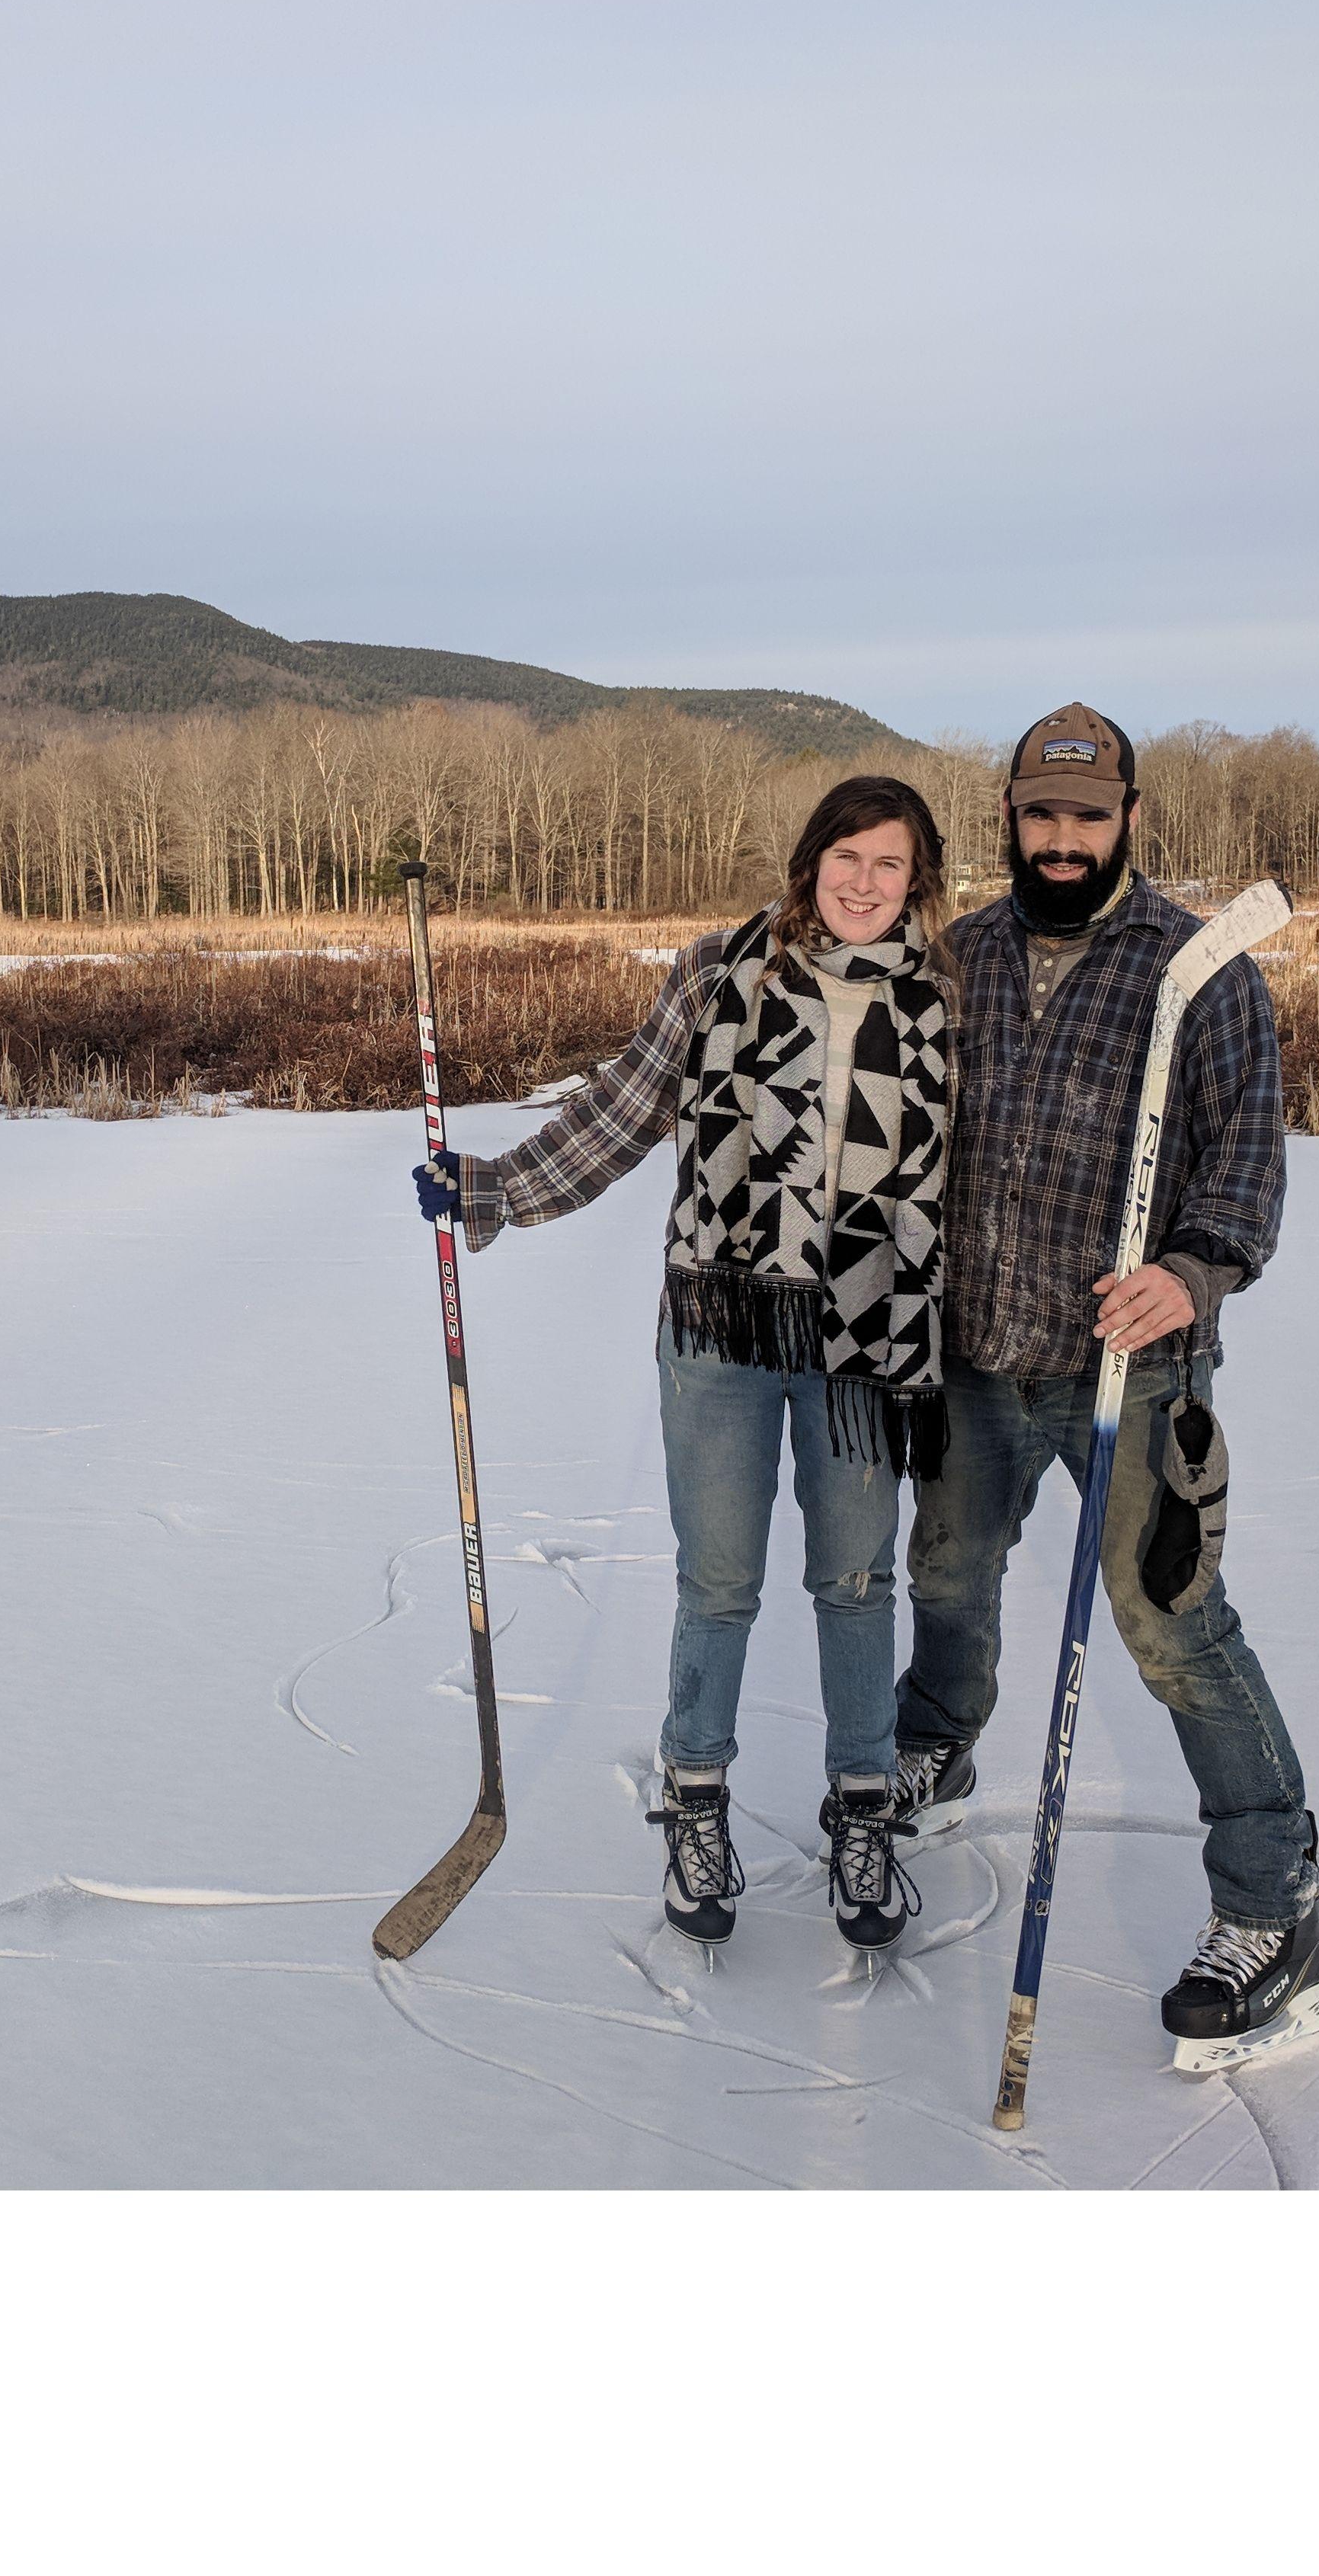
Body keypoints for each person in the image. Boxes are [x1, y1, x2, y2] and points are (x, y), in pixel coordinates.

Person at [415, 776, 958, 1953]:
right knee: (720, 1581)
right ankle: (697, 1794)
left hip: (870, 1335)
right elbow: (626, 1107)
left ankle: (865, 1806)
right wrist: (498, 1188)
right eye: (846, 858)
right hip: (722, 1324)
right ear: (811, 859)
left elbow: (994, 1166)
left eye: (891, 866)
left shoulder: (952, 996)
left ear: (920, 880)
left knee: (857, 1584)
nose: (865, 884)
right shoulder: (724, 967)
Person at [895, 702, 1319, 2065]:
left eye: (1090, 817)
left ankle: (1277, 1910)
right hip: (977, 1352)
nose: (1066, 839)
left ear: (1131, 818)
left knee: (1172, 1625)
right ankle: (937, 1745)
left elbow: (1248, 1160)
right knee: (949, 1575)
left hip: (1135, 1366)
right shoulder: (958, 958)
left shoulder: (1196, 965)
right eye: (1042, 816)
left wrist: (1192, 1270)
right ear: (1012, 820)